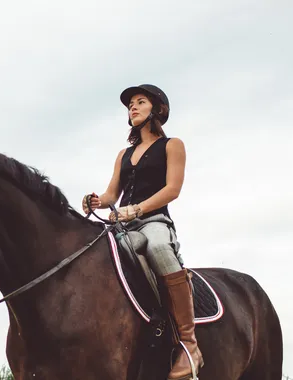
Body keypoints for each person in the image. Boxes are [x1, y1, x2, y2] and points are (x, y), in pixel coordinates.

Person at [82, 84, 203, 379]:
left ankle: (189, 343)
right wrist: (97, 201)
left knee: (159, 249)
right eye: (130, 105)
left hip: (155, 221)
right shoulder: (124, 154)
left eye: (140, 102)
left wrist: (137, 209)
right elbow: (112, 194)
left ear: (157, 109)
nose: (132, 107)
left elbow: (173, 189)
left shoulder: (172, 145)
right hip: (123, 224)